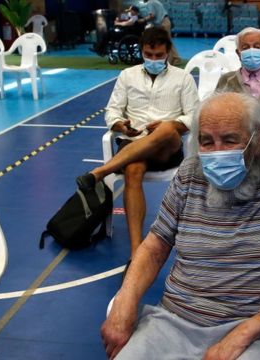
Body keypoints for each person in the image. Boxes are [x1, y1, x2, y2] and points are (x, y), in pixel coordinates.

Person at [100, 92, 260, 359]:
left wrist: (242, 335)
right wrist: (124, 302)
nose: (217, 152)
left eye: (229, 140)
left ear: (258, 139)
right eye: (206, 141)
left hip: (254, 330)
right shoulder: (190, 173)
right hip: (173, 321)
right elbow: (154, 248)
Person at [77, 26, 198, 260]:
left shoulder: (182, 78)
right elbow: (112, 111)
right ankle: (136, 251)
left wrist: (170, 123)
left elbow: (194, 116)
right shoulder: (127, 75)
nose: (153, 60)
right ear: (142, 51)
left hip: (168, 145)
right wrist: (121, 125)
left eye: (158, 55)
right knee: (133, 170)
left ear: (168, 52)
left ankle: (100, 172)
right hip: (133, 141)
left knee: (164, 129)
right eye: (148, 55)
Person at [141, 0, 182, 65]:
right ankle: (176, 59)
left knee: (166, 42)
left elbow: (152, 15)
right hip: (165, 21)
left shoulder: (150, 3)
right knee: (168, 41)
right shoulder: (155, 1)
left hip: (163, 23)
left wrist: (143, 19)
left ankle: (171, 60)